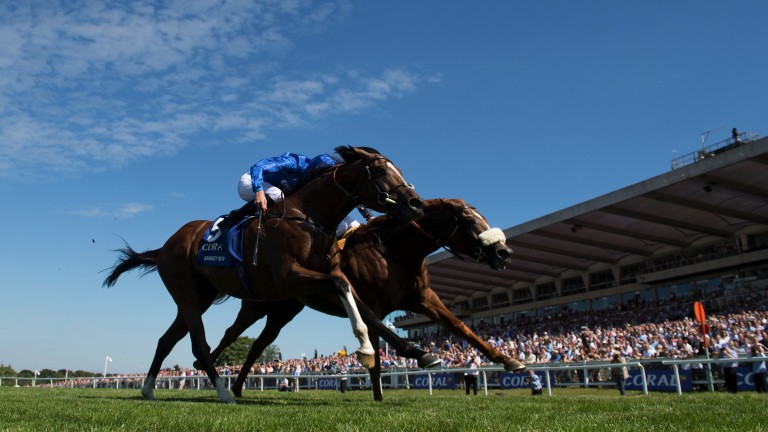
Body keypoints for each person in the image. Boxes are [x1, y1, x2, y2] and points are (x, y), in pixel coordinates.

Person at [222, 151, 365, 236]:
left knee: (351, 225)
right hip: (251, 181)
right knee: (278, 195)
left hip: (276, 191)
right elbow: (258, 167)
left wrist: (369, 216)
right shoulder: (292, 162)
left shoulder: (316, 178)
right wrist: (259, 190)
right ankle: (234, 217)